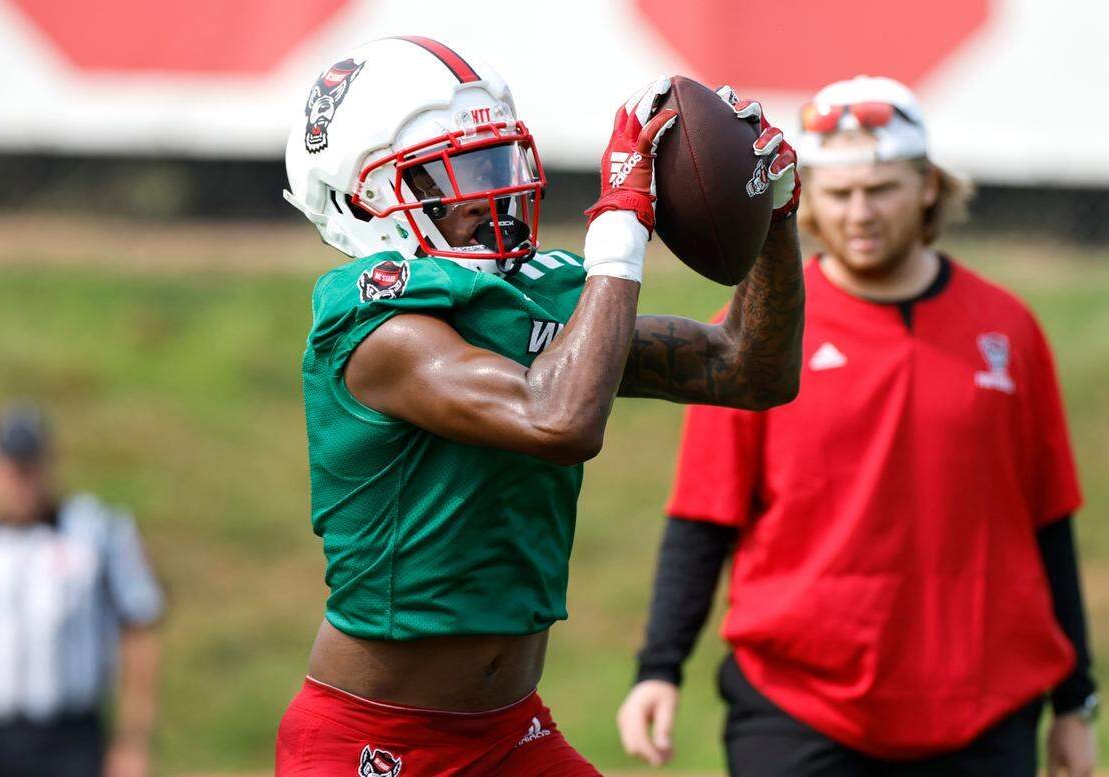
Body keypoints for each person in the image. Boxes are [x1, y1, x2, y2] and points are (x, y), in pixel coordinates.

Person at [275, 36, 805, 776]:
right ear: (364, 200)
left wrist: (774, 218)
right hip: (376, 740)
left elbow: (749, 370)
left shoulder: (530, 297)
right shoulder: (379, 332)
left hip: (509, 730)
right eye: (451, 173)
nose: (490, 191)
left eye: (495, 162)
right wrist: (620, 225)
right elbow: (558, 419)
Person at [617, 75, 1098, 777]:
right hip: (798, 711)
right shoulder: (756, 336)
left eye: (882, 189)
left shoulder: (1009, 329)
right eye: (839, 193)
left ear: (928, 186)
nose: (860, 212)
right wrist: (659, 667)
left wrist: (1076, 700)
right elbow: (703, 515)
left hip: (985, 709)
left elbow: (1050, 522)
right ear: (808, 196)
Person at [0, 403, 165, 777]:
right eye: (10, 469)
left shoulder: (96, 531)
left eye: (29, 468)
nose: (19, 481)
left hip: (68, 738)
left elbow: (139, 632)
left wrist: (133, 740)